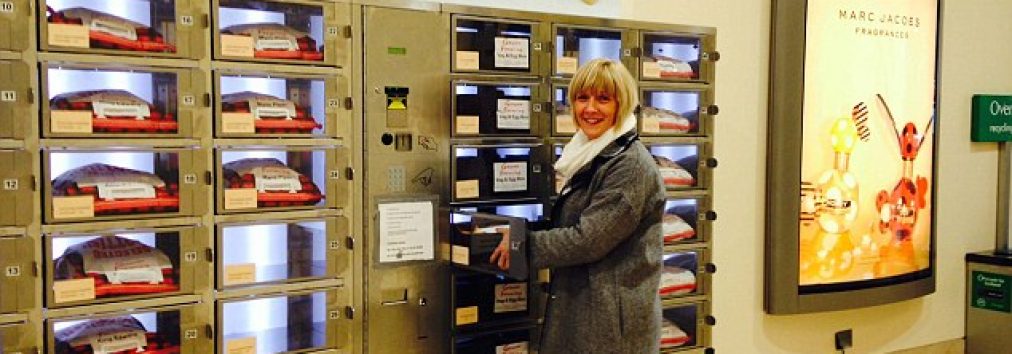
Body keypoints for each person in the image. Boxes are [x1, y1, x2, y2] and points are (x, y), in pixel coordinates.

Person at [490, 58, 666, 353]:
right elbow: (573, 223)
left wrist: (523, 245)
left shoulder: (631, 166)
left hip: (610, 326)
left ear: (622, 104)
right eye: (582, 98)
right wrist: (516, 231)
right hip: (587, 310)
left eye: (603, 99)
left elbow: (589, 240)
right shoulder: (590, 155)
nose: (590, 109)